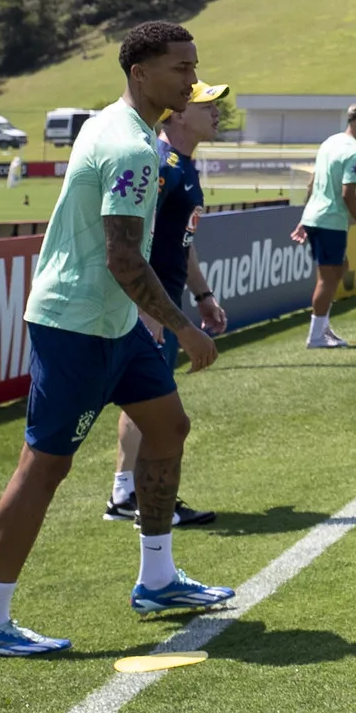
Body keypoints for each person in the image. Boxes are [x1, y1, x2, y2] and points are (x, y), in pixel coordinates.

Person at [0, 22, 233, 657]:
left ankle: (158, 579)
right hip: (77, 324)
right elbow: (123, 259)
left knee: (168, 430)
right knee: (45, 466)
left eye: (194, 66)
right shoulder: (132, 147)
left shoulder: (120, 124)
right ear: (140, 73)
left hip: (115, 323)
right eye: (180, 68)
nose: (192, 80)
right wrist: (188, 327)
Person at [103, 78, 231, 525]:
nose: (216, 112)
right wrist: (148, 309)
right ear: (177, 112)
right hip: (149, 305)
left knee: (146, 401)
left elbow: (182, 242)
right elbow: (133, 237)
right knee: (153, 403)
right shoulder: (161, 163)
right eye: (206, 105)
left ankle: (125, 494)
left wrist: (203, 294)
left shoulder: (184, 165)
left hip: (165, 302)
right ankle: (133, 496)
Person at [290, 103, 356, 348]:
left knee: (339, 268)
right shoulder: (355, 152)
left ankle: (323, 328)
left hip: (317, 217)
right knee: (327, 279)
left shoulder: (330, 142)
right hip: (330, 220)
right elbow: (348, 194)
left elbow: (313, 181)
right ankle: (316, 336)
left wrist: (305, 218)